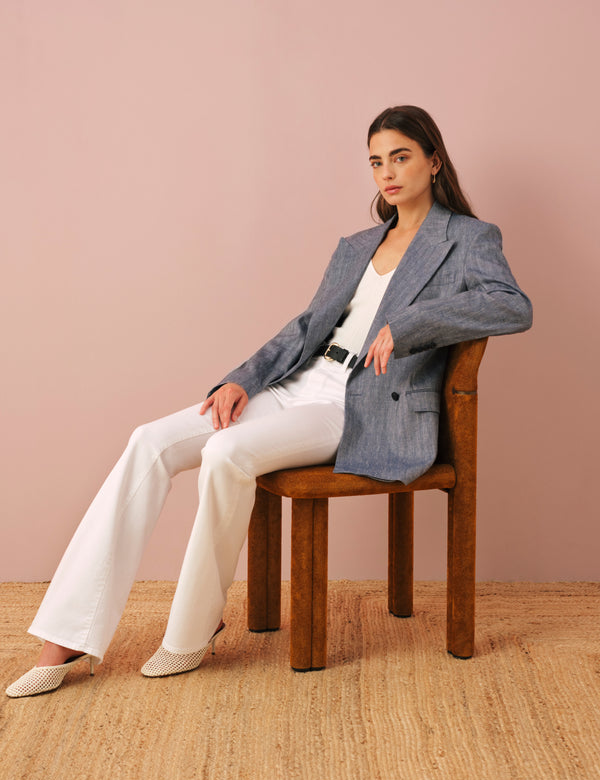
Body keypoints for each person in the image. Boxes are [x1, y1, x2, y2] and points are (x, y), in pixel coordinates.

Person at [6, 105, 532, 698]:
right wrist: (243, 380)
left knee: (228, 452)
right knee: (149, 440)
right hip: (299, 385)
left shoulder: (467, 238)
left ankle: (194, 626)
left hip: (361, 406)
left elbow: (512, 305)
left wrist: (413, 323)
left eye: (401, 157)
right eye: (376, 161)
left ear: (434, 161)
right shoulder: (357, 244)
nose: (387, 172)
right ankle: (69, 632)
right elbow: (308, 324)